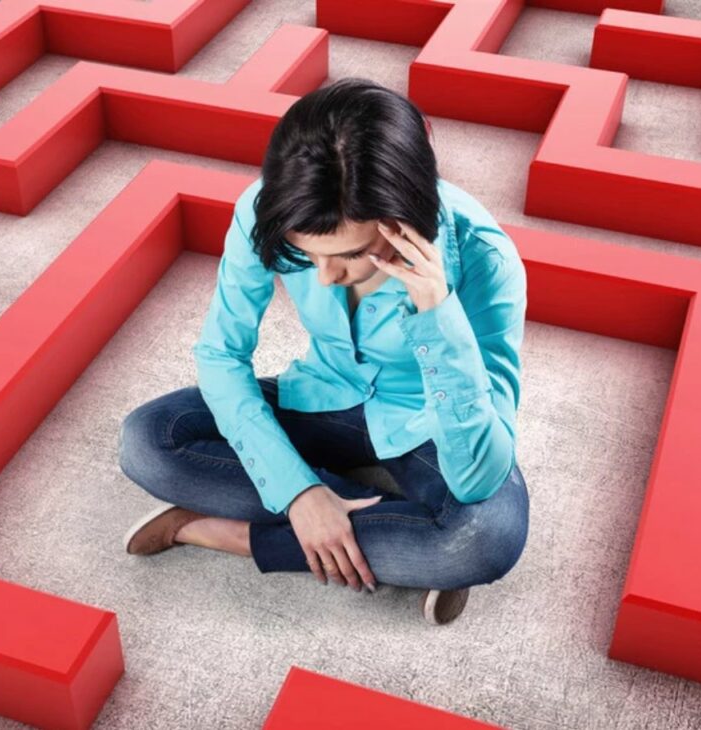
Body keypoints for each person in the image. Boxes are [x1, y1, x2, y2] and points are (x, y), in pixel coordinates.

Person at [117, 77, 529, 625]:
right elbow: (221, 355)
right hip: (324, 393)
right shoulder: (271, 213)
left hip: (426, 420)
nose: (326, 276)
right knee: (146, 442)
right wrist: (300, 494)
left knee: (484, 539)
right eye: (308, 256)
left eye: (352, 255)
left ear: (406, 212)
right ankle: (398, 542)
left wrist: (437, 311)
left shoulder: (486, 259)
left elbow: (478, 474)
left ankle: (228, 533)